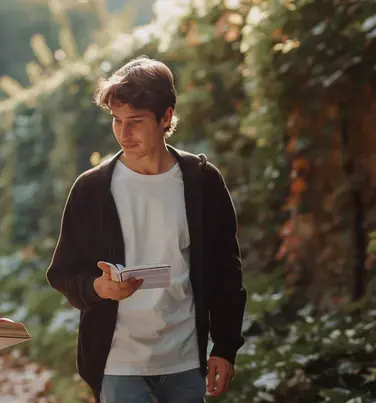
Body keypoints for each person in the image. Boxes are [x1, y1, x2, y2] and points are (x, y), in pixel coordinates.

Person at [45, 56, 247, 402]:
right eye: (116, 120)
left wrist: (225, 347)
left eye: (135, 121)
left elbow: (227, 272)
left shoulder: (202, 182)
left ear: (166, 117)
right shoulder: (91, 189)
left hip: (185, 358)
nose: (123, 133)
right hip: (117, 361)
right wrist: (99, 288)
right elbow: (62, 272)